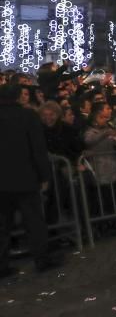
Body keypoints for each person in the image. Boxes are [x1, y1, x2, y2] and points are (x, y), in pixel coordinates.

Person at [0, 84, 63, 277]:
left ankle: (2, 264)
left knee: (3, 224)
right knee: (34, 221)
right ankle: (42, 259)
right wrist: (44, 175)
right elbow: (38, 149)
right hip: (26, 177)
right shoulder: (28, 116)